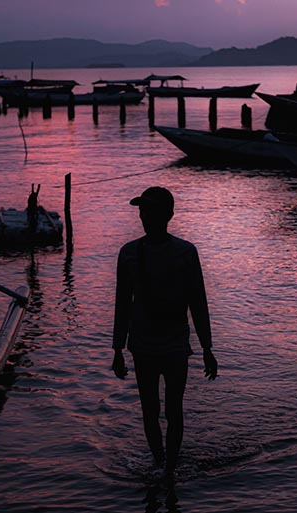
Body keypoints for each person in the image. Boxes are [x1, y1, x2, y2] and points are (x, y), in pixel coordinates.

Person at [111, 186, 218, 486]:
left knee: (173, 408)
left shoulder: (185, 252)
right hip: (142, 345)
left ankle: (169, 469)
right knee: (150, 409)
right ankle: (161, 465)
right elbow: (122, 302)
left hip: (174, 345)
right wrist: (118, 349)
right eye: (143, 211)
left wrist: (207, 347)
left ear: (168, 215)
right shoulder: (129, 253)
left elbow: (198, 301)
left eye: (150, 211)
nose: (145, 216)